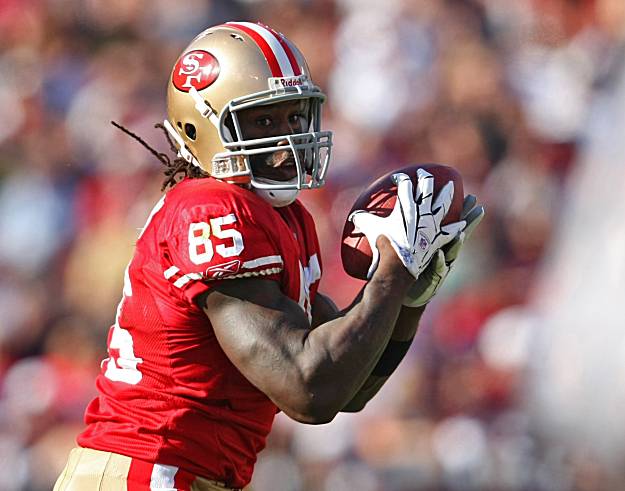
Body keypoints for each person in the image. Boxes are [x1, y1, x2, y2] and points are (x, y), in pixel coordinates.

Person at [53, 21, 484, 491]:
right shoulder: (210, 209)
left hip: (186, 474)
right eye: (262, 121)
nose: (286, 140)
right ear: (203, 124)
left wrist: (409, 299)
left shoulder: (286, 218)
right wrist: (391, 274)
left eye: (293, 117)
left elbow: (348, 385)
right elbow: (307, 389)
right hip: (147, 470)